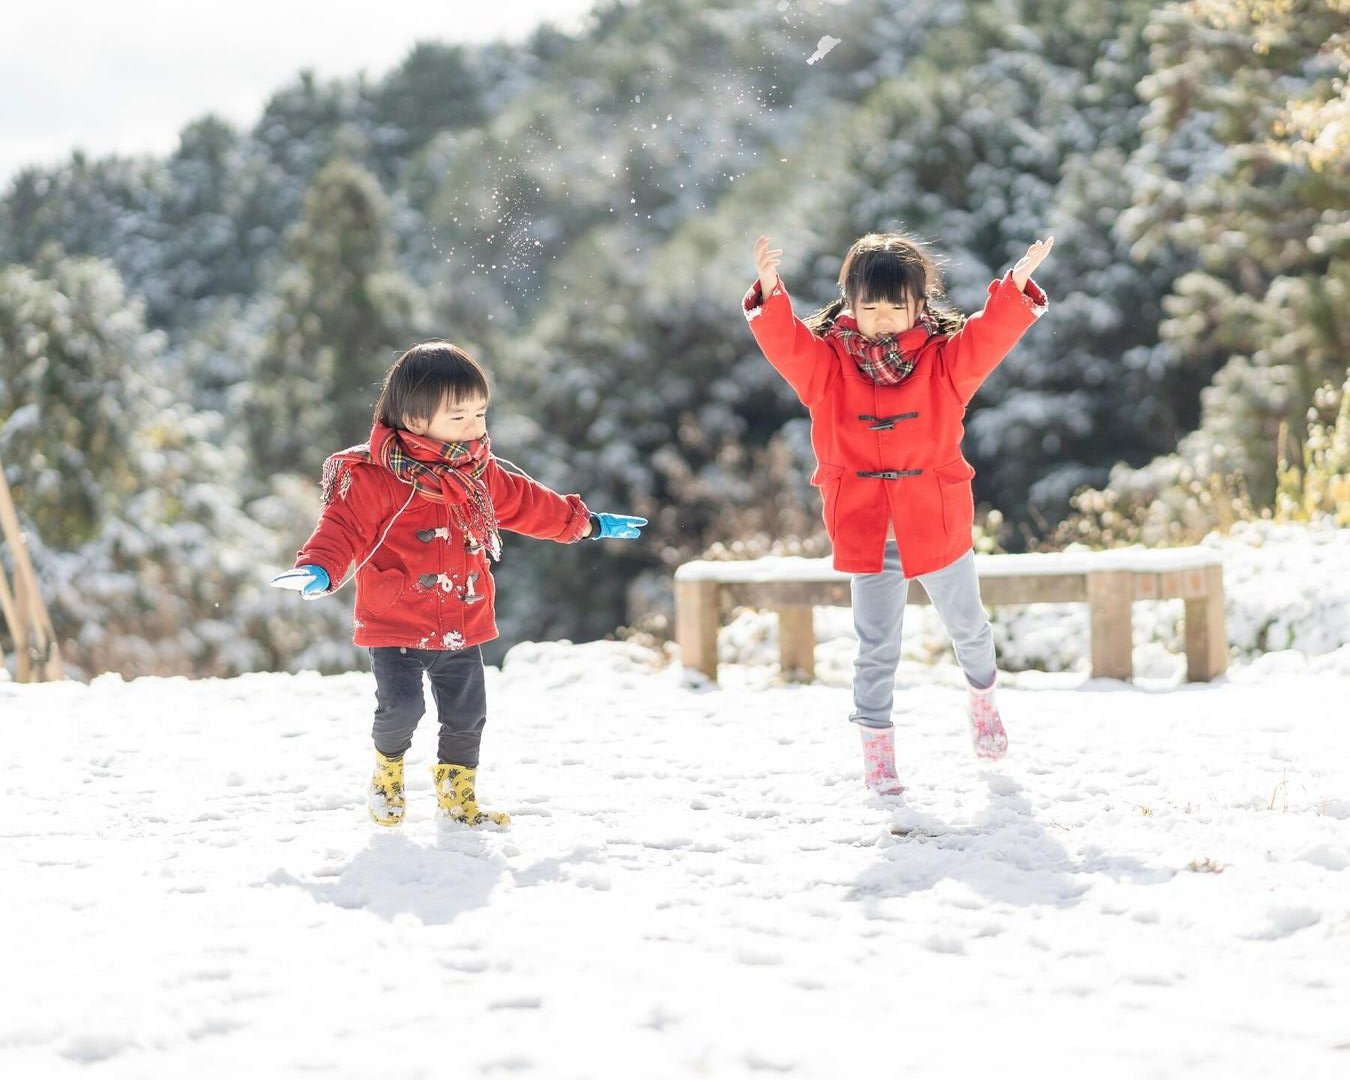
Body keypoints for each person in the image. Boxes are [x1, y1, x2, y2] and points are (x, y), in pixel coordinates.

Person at [271, 341, 646, 827]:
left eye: (480, 413)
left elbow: (533, 506)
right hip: (396, 618)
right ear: (414, 418)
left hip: (461, 619)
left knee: (467, 716)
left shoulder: (479, 473)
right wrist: (320, 567)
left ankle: (457, 798)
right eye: (459, 416)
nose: (474, 427)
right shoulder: (373, 477)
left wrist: (587, 523)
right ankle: (388, 769)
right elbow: (342, 528)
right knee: (402, 708)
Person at [744, 231, 1052, 793]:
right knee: (876, 644)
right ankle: (878, 756)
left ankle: (983, 700)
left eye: (896, 306)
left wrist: (1016, 285)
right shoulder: (828, 367)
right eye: (870, 305)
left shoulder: (945, 364)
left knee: (970, 629)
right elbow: (786, 343)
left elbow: (989, 335)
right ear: (850, 303)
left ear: (919, 305)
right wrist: (770, 292)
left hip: (934, 518)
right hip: (865, 525)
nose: (882, 318)